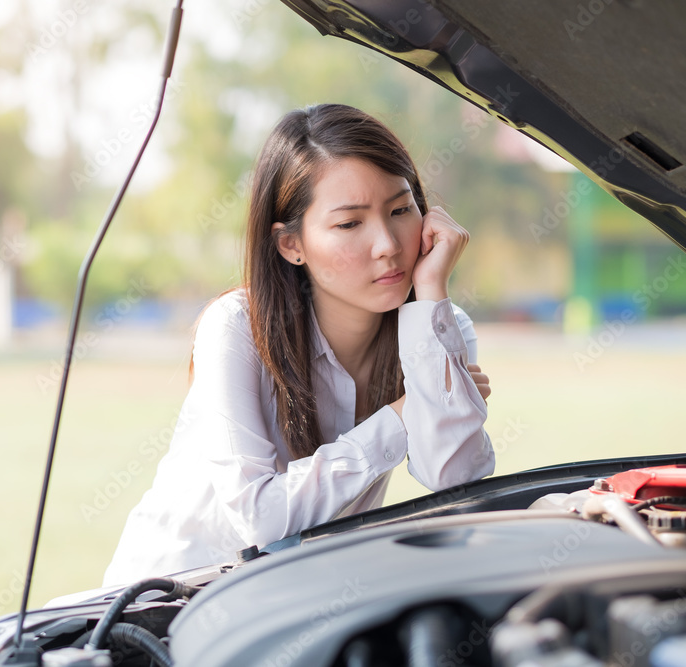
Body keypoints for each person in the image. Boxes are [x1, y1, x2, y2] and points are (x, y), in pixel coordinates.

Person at [102, 103, 494, 587]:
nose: (388, 244)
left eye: (400, 210)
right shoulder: (237, 328)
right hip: (162, 602)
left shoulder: (441, 327)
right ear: (291, 245)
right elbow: (259, 519)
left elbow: (455, 484)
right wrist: (402, 416)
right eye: (350, 224)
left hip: (294, 598)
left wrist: (431, 293)